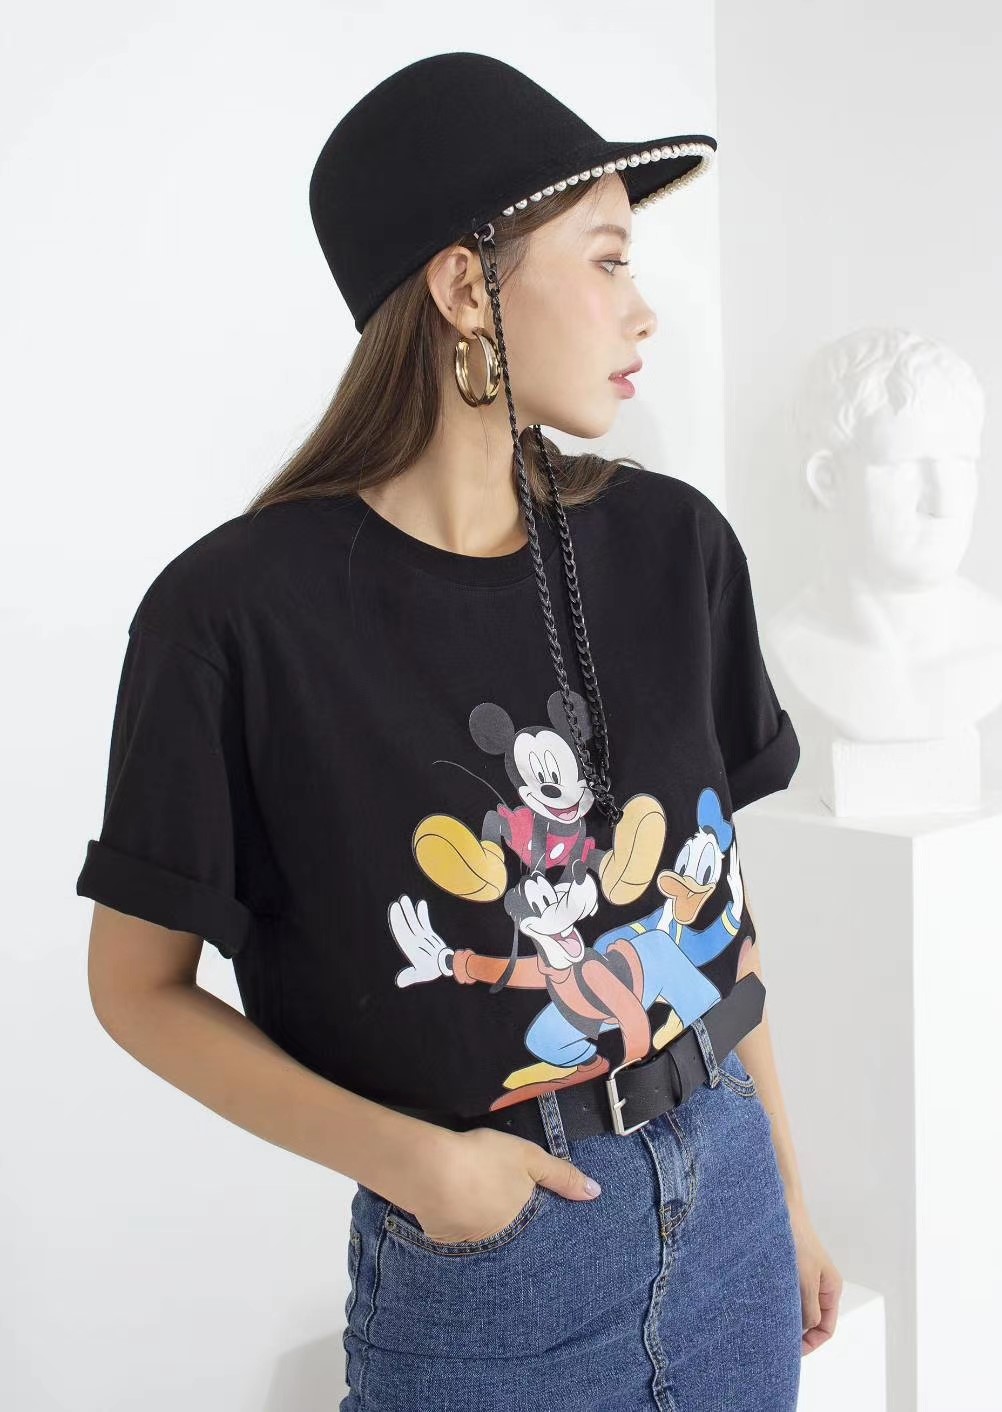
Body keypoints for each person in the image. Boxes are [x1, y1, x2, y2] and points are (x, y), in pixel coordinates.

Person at [76, 51, 841, 1412]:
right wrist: (419, 1166)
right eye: (606, 259)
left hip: (727, 1213)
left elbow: (719, 909)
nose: (643, 307)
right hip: (498, 1272)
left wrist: (785, 1187)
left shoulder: (675, 548)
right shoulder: (235, 617)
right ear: (464, 286)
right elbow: (135, 987)